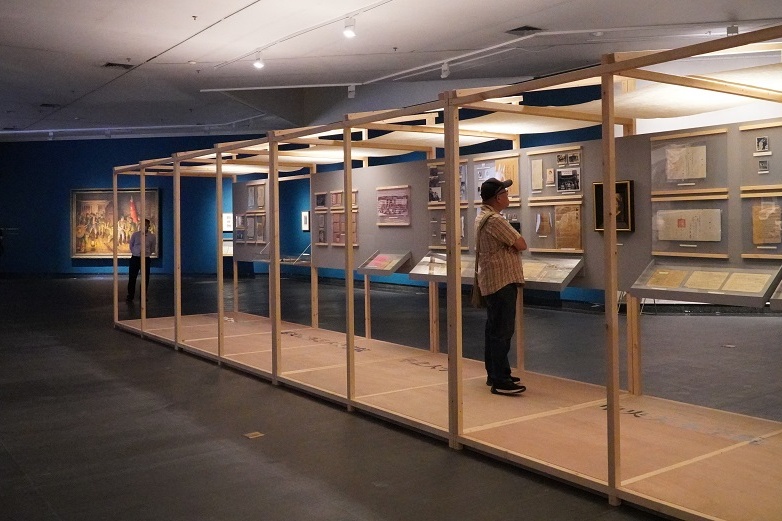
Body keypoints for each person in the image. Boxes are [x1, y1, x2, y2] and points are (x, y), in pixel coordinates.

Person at [475, 178, 527, 395]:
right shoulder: (496, 220)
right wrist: (511, 247)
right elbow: (521, 244)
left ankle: (497, 372)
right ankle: (500, 380)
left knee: (494, 329)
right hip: (501, 280)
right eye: (505, 193)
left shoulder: (482, 216)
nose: (508, 196)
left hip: (493, 280)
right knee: (502, 331)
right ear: (497, 198)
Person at [126, 219, 156, 302]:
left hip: (146, 259)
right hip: (135, 258)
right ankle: (130, 295)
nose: (144, 226)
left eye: (146, 224)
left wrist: (146, 254)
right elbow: (131, 245)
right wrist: (135, 252)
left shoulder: (152, 237)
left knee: (145, 278)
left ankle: (143, 296)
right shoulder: (135, 235)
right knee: (132, 277)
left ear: (148, 226)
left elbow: (152, 248)